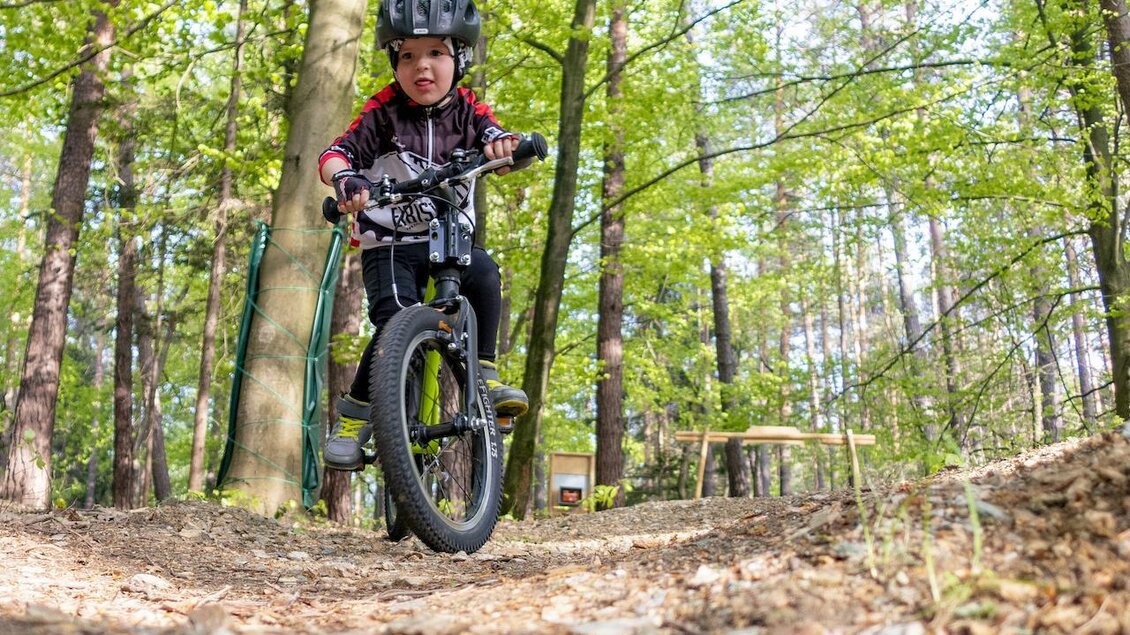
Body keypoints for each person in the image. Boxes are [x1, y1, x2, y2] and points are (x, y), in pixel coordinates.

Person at [318, 0, 528, 471]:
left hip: (450, 237)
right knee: (396, 321)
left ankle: (486, 376)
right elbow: (335, 153)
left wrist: (504, 147)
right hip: (390, 243)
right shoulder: (383, 112)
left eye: (436, 52)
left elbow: (497, 138)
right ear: (395, 63)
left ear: (460, 59)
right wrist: (346, 180)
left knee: (486, 274)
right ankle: (355, 415)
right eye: (407, 55)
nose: (422, 66)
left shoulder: (470, 110)